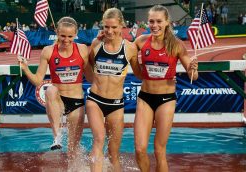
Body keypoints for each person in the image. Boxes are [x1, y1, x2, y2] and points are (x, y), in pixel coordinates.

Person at [133, 5, 198, 172]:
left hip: (166, 100)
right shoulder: (141, 41)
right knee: (140, 149)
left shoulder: (176, 44)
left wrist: (193, 68)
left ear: (167, 22)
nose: (154, 25)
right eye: (151, 21)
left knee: (159, 151)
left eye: (159, 21)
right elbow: (122, 51)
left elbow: (193, 77)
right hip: (145, 98)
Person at [19, 16, 90, 166]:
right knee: (50, 89)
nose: (66, 40)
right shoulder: (48, 51)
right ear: (57, 32)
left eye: (70, 36)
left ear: (76, 34)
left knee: (73, 149)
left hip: (76, 102)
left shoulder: (82, 49)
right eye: (62, 36)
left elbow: (90, 76)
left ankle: (75, 168)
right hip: (57, 100)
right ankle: (57, 136)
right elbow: (39, 80)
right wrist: (25, 68)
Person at [86, 7, 141, 172]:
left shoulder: (130, 48)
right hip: (95, 100)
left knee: (113, 154)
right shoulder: (96, 44)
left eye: (114, 27)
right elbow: (88, 64)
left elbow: (140, 74)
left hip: (116, 104)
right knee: (99, 139)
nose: (109, 31)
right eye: (106, 27)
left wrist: (167, 77)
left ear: (122, 25)